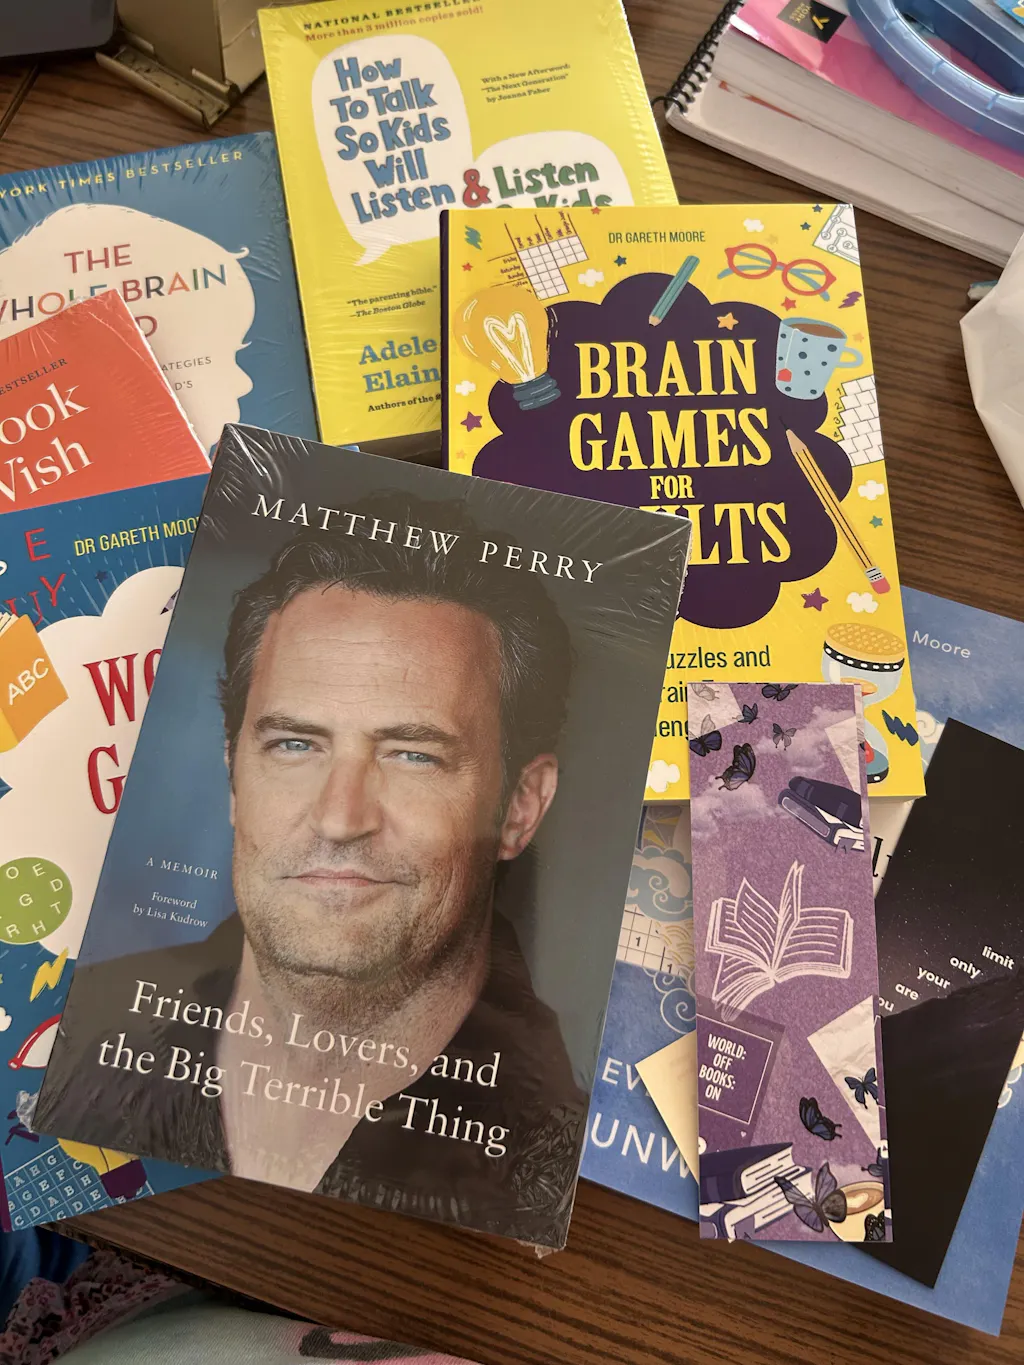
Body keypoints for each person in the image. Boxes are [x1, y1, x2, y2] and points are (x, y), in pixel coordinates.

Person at [37, 497, 584, 1245]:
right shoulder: (71, 1035)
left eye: (413, 754)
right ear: (234, 774)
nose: (338, 816)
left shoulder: (554, 1161)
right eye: (295, 745)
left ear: (521, 806)